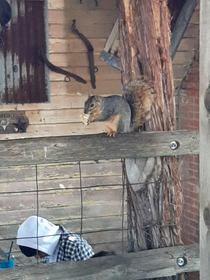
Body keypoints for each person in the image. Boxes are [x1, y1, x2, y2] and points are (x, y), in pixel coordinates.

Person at [17, 216, 97, 263]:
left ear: (42, 244)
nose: (37, 257)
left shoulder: (76, 247)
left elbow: (92, 274)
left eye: (36, 253)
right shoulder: (46, 251)